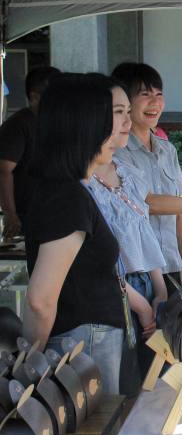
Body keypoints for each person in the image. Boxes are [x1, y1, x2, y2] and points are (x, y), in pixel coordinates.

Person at [23, 73, 126, 395]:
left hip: (88, 340)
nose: (115, 132)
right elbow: (41, 300)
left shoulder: (68, 190)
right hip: (83, 344)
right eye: (106, 121)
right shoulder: (65, 196)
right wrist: (29, 367)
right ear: (81, 128)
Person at [88, 85, 169, 394]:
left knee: (150, 387)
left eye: (125, 111)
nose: (126, 121)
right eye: (117, 112)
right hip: (116, 297)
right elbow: (101, 260)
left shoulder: (128, 171)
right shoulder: (84, 185)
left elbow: (143, 232)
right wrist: (140, 307)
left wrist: (159, 289)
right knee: (121, 389)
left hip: (146, 287)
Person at [111, 63, 182, 286]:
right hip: (138, 273)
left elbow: (178, 212)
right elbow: (147, 203)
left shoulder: (167, 150)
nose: (155, 102)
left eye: (159, 94)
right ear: (125, 102)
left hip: (172, 265)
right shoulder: (117, 152)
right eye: (145, 94)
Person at [0, 66, 61, 239]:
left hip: (55, 211)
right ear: (34, 97)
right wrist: (10, 214)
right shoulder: (19, 125)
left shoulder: (55, 124)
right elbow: (4, 171)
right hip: (28, 216)